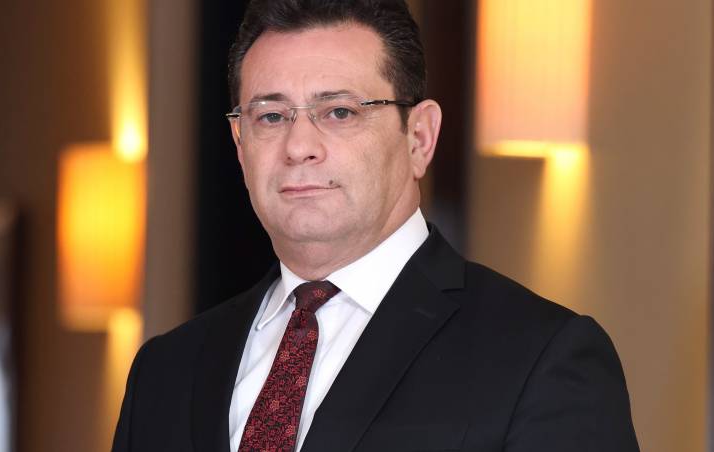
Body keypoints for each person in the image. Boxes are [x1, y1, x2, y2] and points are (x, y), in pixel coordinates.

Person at [112, 0, 639, 451]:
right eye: (271, 116)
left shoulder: (540, 358)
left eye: (339, 112)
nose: (299, 146)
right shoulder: (166, 370)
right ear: (239, 145)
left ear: (419, 137)